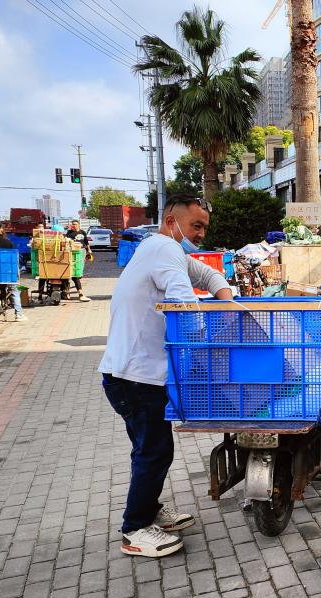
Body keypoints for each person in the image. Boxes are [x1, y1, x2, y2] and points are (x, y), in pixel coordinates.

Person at [98, 194, 232, 558]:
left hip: (133, 374)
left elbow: (203, 273)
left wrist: (226, 297)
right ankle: (135, 530)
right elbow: (184, 300)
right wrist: (207, 344)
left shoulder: (159, 249)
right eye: (195, 225)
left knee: (152, 449)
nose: (201, 233)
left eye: (205, 226)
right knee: (153, 451)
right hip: (135, 378)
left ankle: (149, 510)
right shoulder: (162, 249)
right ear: (172, 221)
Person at [65, 219, 92, 302]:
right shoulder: (69, 233)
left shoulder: (83, 232)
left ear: (78, 225)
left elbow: (86, 242)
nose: (74, 225)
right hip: (72, 252)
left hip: (82, 251)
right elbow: (66, 242)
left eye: (75, 224)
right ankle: (67, 292)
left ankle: (79, 275)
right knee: (70, 273)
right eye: (72, 224)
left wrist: (89, 250)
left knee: (79, 268)